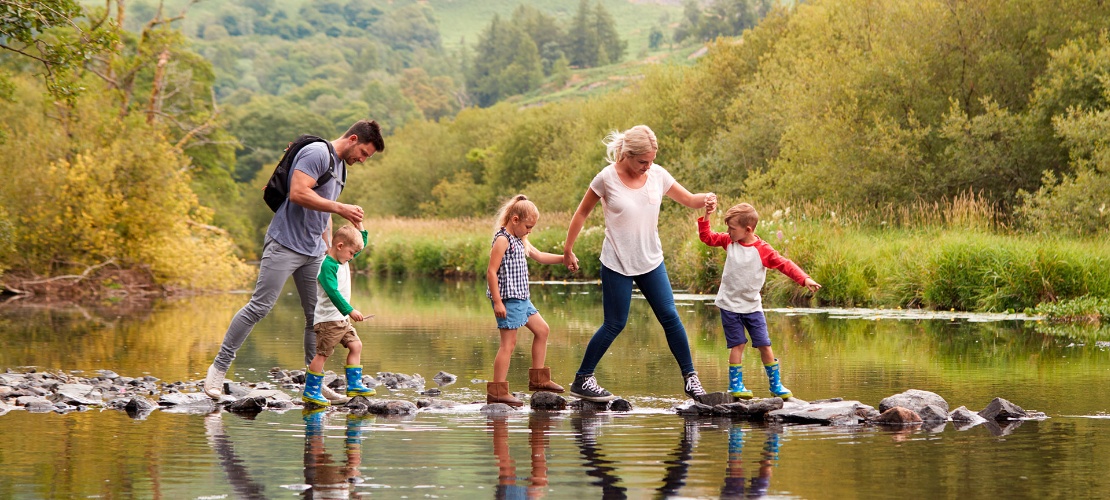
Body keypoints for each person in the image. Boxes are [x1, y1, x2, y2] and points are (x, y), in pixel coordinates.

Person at [204, 120, 385, 400]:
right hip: (285, 243)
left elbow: (322, 212)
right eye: (363, 153)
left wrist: (326, 247)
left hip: (314, 251)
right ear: (352, 139)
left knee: (317, 317)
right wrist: (340, 208)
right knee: (259, 307)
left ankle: (314, 383)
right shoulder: (317, 153)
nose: (362, 160)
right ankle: (217, 371)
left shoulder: (340, 170)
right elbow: (298, 193)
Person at [562, 124, 716, 402]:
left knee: (670, 317)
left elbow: (690, 199)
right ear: (627, 155)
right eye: (643, 161)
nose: (648, 166)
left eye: (651, 160)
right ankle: (583, 379)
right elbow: (582, 213)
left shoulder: (657, 174)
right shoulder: (606, 178)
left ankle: (691, 380)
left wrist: (706, 199)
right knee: (615, 323)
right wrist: (568, 249)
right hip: (617, 262)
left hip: (651, 260)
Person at [698, 201, 821, 399]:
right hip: (729, 306)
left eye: (732, 228)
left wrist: (804, 278)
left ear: (747, 230)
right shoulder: (729, 241)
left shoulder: (763, 250)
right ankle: (735, 386)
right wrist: (706, 216)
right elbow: (706, 237)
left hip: (753, 307)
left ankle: (776, 385)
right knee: (737, 345)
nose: (728, 231)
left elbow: (784, 264)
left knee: (765, 344)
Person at [485, 194, 566, 407]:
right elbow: (491, 272)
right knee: (508, 345)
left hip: (523, 299)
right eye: (528, 226)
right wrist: (497, 302)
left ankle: (539, 380)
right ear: (515, 220)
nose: (530, 230)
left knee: (542, 330)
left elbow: (539, 255)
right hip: (508, 300)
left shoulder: (520, 240)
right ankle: (497, 391)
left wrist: (564, 258)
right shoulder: (503, 239)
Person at [301, 222, 377, 406]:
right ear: (340, 246)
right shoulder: (328, 266)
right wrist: (350, 310)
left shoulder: (344, 258)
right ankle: (311, 391)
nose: (353, 257)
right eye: (351, 253)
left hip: (341, 320)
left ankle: (354, 385)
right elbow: (332, 292)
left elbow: (360, 244)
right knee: (323, 354)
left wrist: (359, 225)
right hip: (328, 321)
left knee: (356, 345)